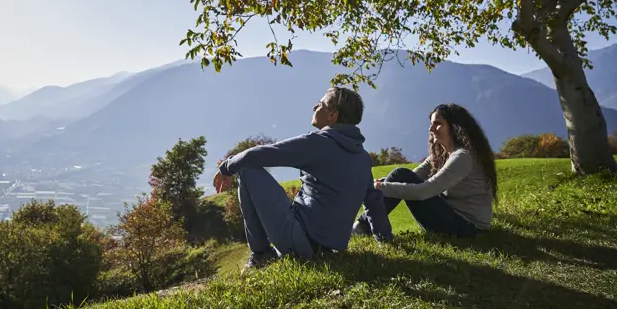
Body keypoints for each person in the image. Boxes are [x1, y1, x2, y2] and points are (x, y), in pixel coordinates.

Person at [213, 87, 393, 271]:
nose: (315, 107)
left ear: (332, 115)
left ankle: (260, 254)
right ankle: (269, 252)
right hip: (328, 249)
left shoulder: (318, 143)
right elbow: (374, 202)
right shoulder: (363, 157)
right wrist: (385, 239)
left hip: (299, 241)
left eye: (320, 104)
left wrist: (226, 167)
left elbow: (264, 154)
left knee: (246, 168)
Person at [352, 103, 497, 237]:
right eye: (431, 124)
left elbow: (423, 191)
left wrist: (382, 187)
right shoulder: (442, 155)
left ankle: (361, 227)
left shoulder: (463, 157)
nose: (431, 129)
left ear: (454, 127)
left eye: (438, 124)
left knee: (400, 174)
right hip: (452, 218)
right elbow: (410, 177)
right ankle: (362, 227)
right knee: (400, 174)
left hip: (468, 228)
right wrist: (383, 182)